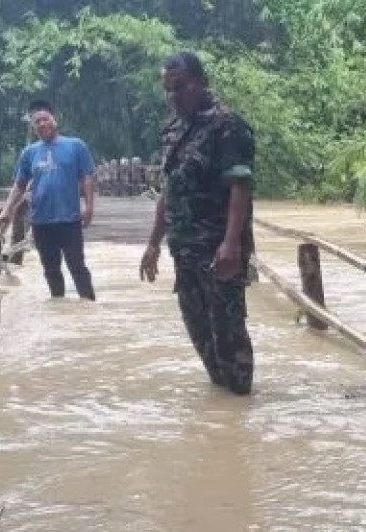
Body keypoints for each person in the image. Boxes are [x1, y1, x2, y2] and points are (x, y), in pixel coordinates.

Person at [140, 52, 255, 395]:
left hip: (218, 249)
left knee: (228, 334)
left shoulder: (228, 126)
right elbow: (169, 189)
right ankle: (224, 416)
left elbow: (240, 185)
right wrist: (152, 243)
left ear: (202, 83)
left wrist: (232, 243)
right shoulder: (175, 131)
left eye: (181, 88)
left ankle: (239, 409)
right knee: (200, 332)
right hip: (185, 251)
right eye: (168, 90)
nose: (174, 97)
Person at [0, 100, 97, 300]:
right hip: (41, 222)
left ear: (55, 120)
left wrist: (89, 207)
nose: (42, 124)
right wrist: (7, 210)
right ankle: (58, 308)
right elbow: (20, 185)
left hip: (69, 219)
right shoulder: (29, 153)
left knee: (77, 267)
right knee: (51, 269)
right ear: (33, 127)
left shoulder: (76, 146)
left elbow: (87, 178)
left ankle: (88, 305)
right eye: (37, 122)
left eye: (45, 119)